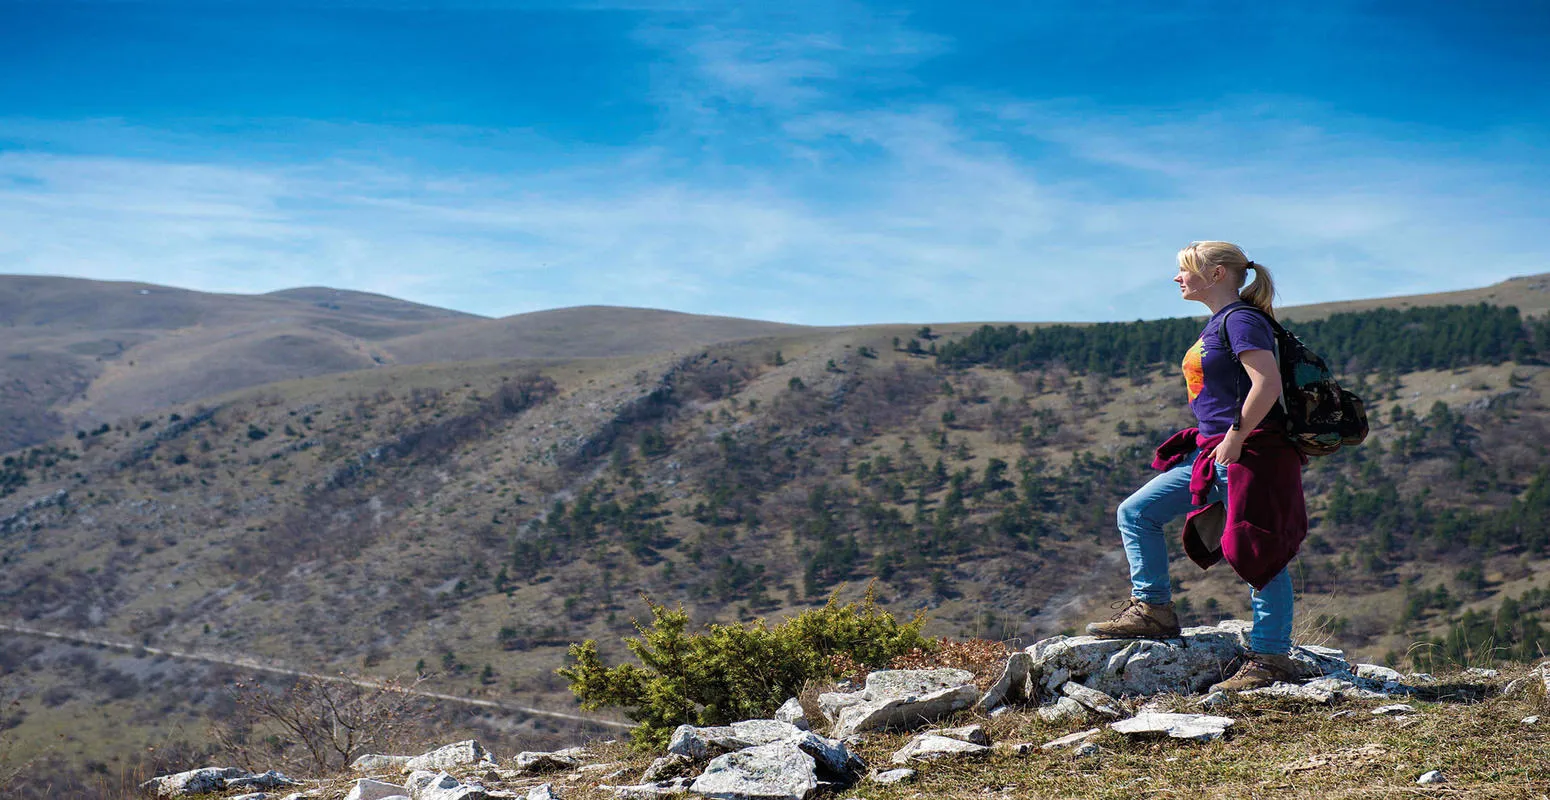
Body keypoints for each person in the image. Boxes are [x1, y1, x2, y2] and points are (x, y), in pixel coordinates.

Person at [1085, 241, 1308, 693]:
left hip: (1250, 453)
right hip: (1215, 452)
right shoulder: (1223, 322)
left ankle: (1270, 657)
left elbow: (1267, 382)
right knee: (1137, 512)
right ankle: (1153, 611)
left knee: (1260, 552)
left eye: (1185, 269)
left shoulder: (1242, 319)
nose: (1177, 278)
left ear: (1218, 273)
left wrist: (1238, 434)